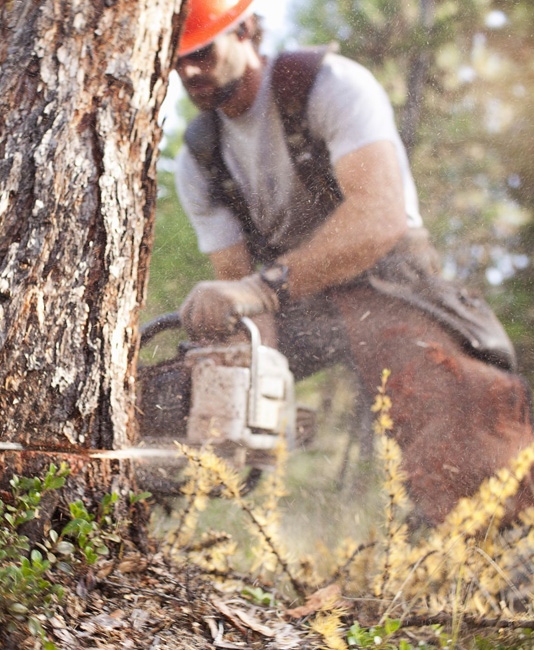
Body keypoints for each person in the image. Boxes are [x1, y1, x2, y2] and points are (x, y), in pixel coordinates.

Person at [173, 0, 534, 525]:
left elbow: (379, 215)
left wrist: (263, 288)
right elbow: (239, 291)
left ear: (246, 30)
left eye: (200, 53)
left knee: (454, 404)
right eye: (176, 60)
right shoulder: (200, 159)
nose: (188, 71)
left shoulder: (328, 84)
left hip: (388, 279)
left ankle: (504, 543)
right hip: (293, 300)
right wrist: (251, 386)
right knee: (192, 385)